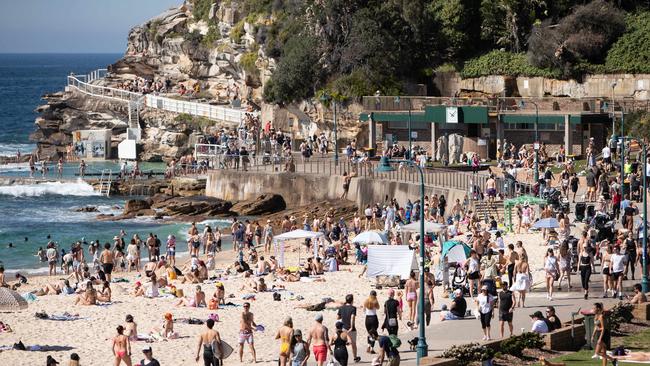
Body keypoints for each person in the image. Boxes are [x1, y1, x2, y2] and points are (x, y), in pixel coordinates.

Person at [337, 294, 360, 362]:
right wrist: (352, 327)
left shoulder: (341, 307)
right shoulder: (353, 308)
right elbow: (352, 317)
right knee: (353, 344)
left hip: (343, 328)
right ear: (352, 300)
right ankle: (355, 357)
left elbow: (338, 317)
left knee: (342, 344)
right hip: (351, 329)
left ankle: (342, 357)